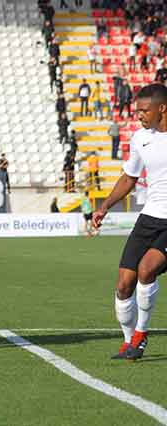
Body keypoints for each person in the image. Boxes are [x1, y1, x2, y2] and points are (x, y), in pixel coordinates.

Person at [92, 83, 167, 361]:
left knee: (147, 269)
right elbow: (129, 178)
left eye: (144, 110)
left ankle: (140, 335)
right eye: (137, 111)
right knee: (124, 284)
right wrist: (105, 207)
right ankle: (127, 342)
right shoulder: (140, 138)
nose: (139, 115)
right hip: (150, 217)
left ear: (162, 108)